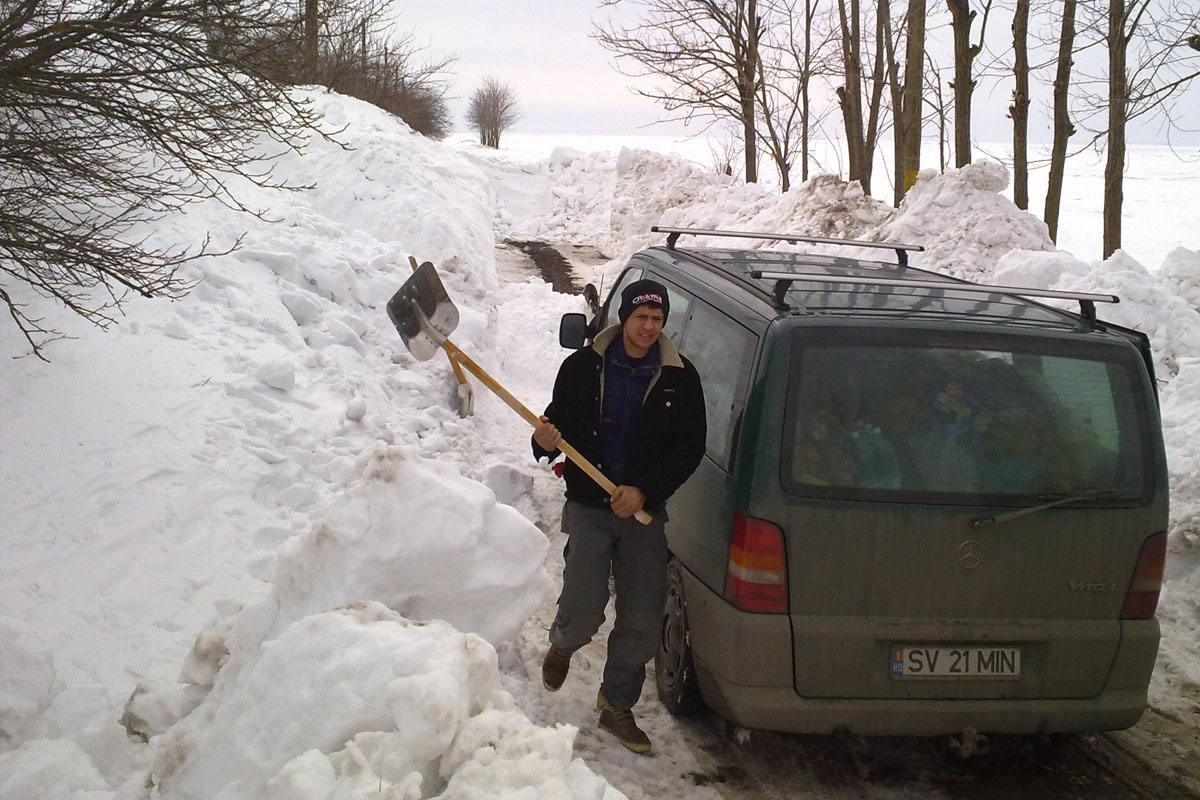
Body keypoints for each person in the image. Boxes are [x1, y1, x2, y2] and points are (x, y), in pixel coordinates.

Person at [531, 278, 706, 755]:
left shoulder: (680, 378)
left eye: (656, 319)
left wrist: (645, 491)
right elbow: (554, 423)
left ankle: (616, 705)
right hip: (589, 507)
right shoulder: (581, 367)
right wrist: (543, 440)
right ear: (622, 318)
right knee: (585, 605)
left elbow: (689, 449)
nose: (648, 326)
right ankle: (565, 643)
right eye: (640, 317)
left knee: (643, 618)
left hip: (643, 515)